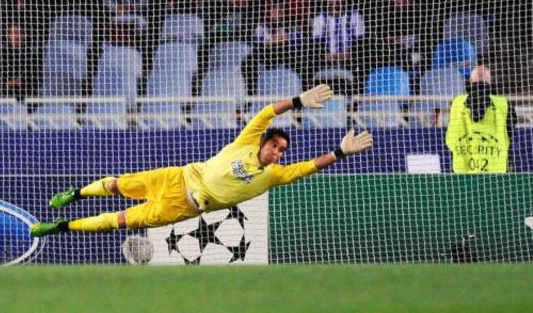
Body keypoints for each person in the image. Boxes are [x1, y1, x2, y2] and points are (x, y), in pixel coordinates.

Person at [31, 85, 373, 235]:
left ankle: (61, 228)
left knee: (118, 220)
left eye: (283, 151)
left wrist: (340, 151)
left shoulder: (274, 175)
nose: (279, 153)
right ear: (266, 142)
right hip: (177, 177)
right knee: (119, 184)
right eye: (276, 146)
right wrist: (298, 100)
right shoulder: (247, 140)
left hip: (183, 207)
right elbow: (267, 112)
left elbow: (310, 167)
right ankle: (76, 195)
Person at [445, 65, 515, 173]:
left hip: (461, 178)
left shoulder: (456, 103)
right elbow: (510, 135)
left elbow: (450, 137)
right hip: (497, 178)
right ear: (491, 81)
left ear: (470, 80)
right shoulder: (504, 104)